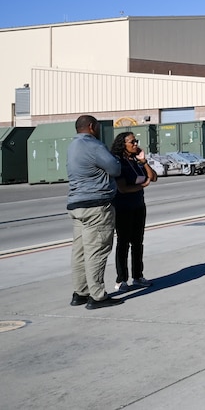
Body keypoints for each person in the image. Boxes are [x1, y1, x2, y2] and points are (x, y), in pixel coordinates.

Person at [66, 115, 124, 309]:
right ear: (92, 127)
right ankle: (97, 296)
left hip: (77, 205)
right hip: (96, 205)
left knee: (80, 251)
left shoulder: (73, 146)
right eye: (98, 126)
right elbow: (115, 168)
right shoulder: (94, 145)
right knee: (97, 250)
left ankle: (80, 292)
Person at [110, 131, 158, 292]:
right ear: (123, 145)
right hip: (123, 207)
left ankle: (138, 276)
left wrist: (144, 161)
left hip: (138, 206)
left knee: (138, 242)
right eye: (132, 142)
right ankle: (121, 279)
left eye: (136, 141)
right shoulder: (118, 162)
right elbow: (122, 188)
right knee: (123, 243)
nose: (136, 144)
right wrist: (141, 186)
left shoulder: (135, 161)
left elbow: (153, 177)